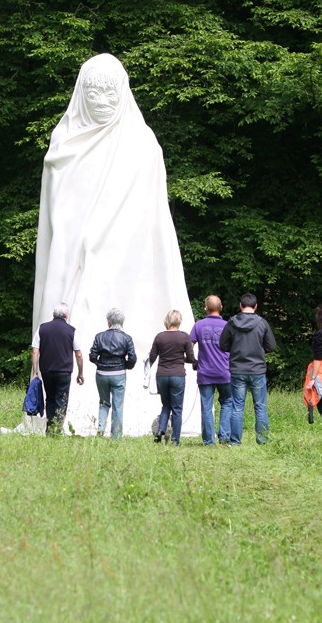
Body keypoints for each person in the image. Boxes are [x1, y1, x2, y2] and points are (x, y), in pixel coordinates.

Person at [32, 53, 199, 436]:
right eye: (93, 91)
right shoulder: (65, 143)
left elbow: (156, 224)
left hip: (132, 260)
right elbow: (59, 215)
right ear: (81, 92)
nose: (102, 100)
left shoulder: (142, 144)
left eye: (110, 91)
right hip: (74, 263)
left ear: (122, 93)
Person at [219, 293, 276, 445]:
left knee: (237, 407)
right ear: (256, 306)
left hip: (237, 370)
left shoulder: (231, 323)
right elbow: (271, 346)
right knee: (260, 407)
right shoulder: (262, 323)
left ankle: (235, 441)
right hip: (257, 370)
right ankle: (262, 440)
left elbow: (223, 345)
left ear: (240, 305)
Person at [31, 302, 84, 433]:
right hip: (64, 372)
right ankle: (58, 429)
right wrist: (80, 373)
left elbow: (35, 351)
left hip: (47, 370)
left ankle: (49, 429)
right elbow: (78, 354)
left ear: (53, 314)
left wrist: (35, 372)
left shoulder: (42, 328)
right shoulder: (72, 331)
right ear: (67, 316)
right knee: (62, 400)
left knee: (49, 398)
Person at [149, 310, 197, 446]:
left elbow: (152, 357)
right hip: (178, 375)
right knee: (177, 409)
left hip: (162, 375)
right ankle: (176, 440)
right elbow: (191, 358)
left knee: (165, 405)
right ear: (179, 321)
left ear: (167, 321)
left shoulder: (159, 337)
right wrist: (185, 359)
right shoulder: (184, 337)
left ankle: (160, 431)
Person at [89, 308, 137, 439]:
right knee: (118, 405)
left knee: (104, 403)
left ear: (109, 322)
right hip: (119, 374)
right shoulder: (127, 338)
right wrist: (125, 366)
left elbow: (92, 356)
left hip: (101, 374)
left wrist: (99, 364)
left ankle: (100, 430)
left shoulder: (99, 336)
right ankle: (115, 437)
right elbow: (132, 359)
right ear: (122, 323)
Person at [190, 295, 232, 445]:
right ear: (221, 308)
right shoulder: (228, 326)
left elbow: (189, 346)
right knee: (227, 402)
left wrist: (193, 361)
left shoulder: (198, 325)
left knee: (206, 406)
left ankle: (208, 440)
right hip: (225, 372)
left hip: (205, 372)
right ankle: (225, 436)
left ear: (206, 308)